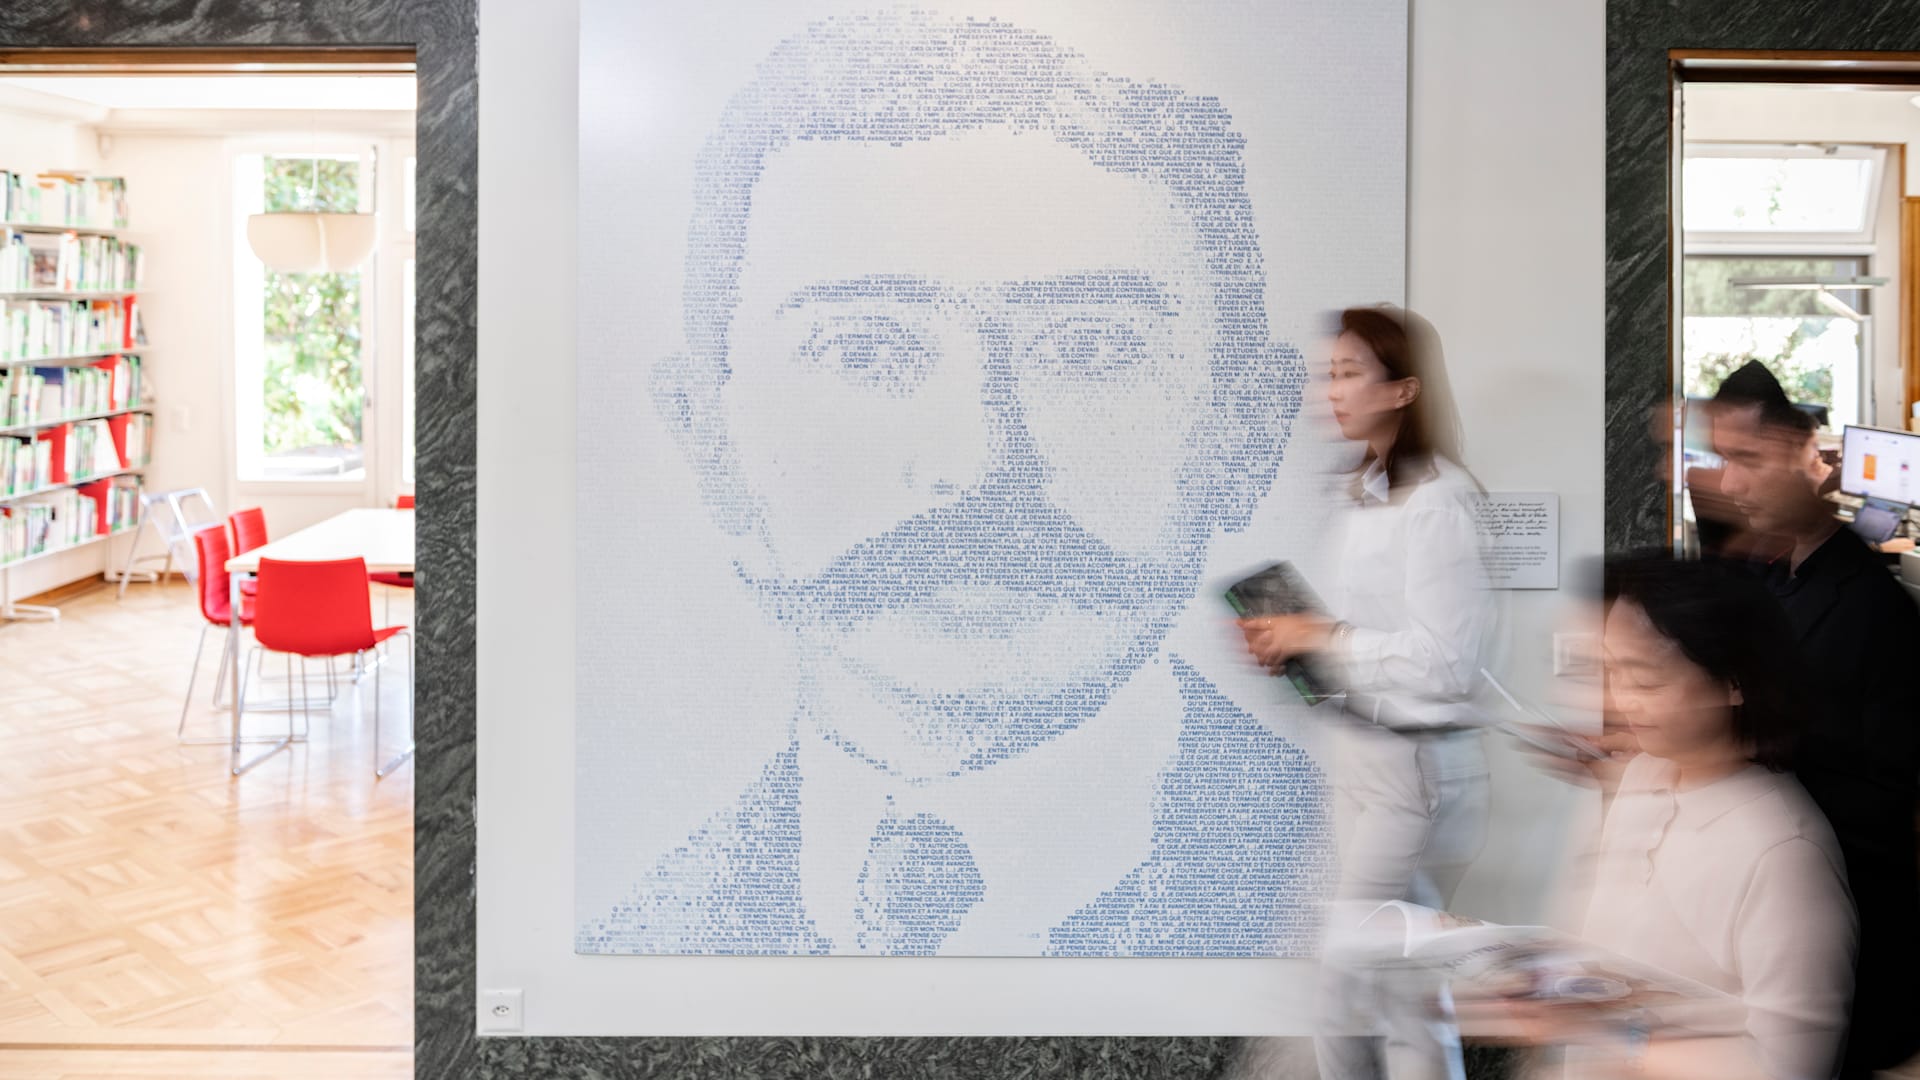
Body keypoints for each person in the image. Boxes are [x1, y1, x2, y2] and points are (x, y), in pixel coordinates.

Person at [577, 9, 1338, 959]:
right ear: (709, 437)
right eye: (863, 349)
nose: (977, 465)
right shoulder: (651, 932)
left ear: (1243, 431)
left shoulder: (1332, 870)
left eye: (1089, 349)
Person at [1478, 556, 1856, 1080]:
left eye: (1646, 681)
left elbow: (1789, 1067)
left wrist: (1595, 1028)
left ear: (1733, 682)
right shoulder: (1642, 777)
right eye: (1610, 672)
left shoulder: (1784, 853)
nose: (1614, 700)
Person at [1240, 305, 1494, 1080]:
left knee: (1338, 986)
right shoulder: (1364, 490)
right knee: (1407, 998)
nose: (1332, 391)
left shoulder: (1439, 503)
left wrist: (1320, 638)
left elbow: (1445, 662)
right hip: (1356, 758)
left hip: (1409, 773)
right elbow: (1362, 635)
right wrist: (1297, 646)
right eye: (1329, 373)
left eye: (1350, 373)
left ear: (1404, 389)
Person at [1709, 362, 1920, 1077]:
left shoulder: (1872, 609)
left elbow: (1886, 795)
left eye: (1748, 460)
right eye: (1721, 461)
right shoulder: (1772, 577)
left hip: (1854, 935)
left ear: (1811, 458)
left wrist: (1738, 749)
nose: (1728, 484)